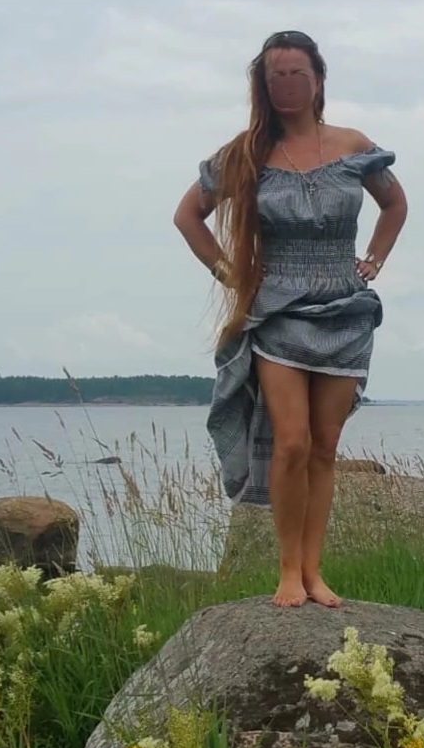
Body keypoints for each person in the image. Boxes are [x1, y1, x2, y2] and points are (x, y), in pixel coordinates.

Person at [174, 30, 408, 608]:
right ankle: (286, 571)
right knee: (292, 443)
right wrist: (231, 275)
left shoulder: (353, 145)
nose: (285, 85)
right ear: (262, 83)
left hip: (345, 309)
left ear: (318, 79)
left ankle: (313, 571)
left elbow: (395, 203)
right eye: (274, 76)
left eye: (295, 74)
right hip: (277, 310)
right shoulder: (247, 153)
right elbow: (188, 216)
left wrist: (374, 260)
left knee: (325, 446)